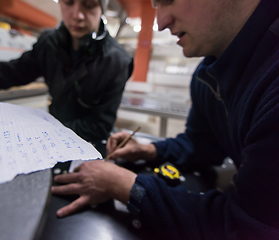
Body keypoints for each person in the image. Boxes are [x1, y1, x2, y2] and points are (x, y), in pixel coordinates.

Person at [51, 0, 279, 238]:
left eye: (168, 0)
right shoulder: (207, 76)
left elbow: (247, 227)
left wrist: (123, 185)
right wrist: (148, 151)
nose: (160, 22)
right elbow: (201, 145)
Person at [0, 0, 133, 151]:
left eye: (88, 4)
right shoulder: (49, 44)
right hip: (48, 136)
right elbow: (2, 74)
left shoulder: (117, 61)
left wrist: (38, 129)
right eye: (69, 2)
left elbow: (99, 126)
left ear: (101, 8)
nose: (77, 14)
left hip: (86, 144)